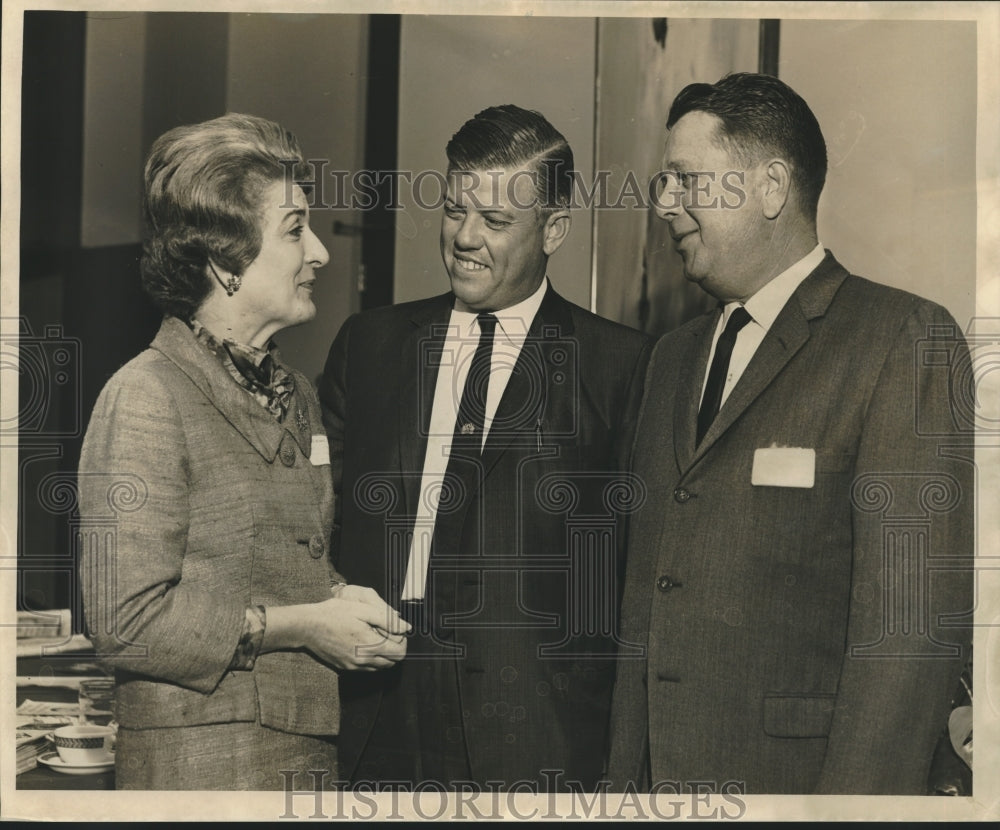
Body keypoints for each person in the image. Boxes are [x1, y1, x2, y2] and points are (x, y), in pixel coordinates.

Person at [607, 72, 974, 795]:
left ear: (771, 187)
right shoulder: (671, 357)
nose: (664, 205)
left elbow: (904, 637)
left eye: (686, 180)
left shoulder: (898, 338)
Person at [319, 104, 653, 791]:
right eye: (453, 210)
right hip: (375, 713)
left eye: (496, 222)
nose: (464, 238)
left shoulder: (623, 368)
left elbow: (640, 577)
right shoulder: (370, 344)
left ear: (554, 229)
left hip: (535, 731)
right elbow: (315, 526)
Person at [78, 113, 410, 791]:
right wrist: (308, 626)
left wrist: (347, 603)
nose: (319, 252)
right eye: (295, 230)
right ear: (226, 261)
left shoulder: (297, 393)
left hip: (304, 765)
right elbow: (123, 621)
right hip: (201, 779)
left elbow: (282, 562)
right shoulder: (145, 396)